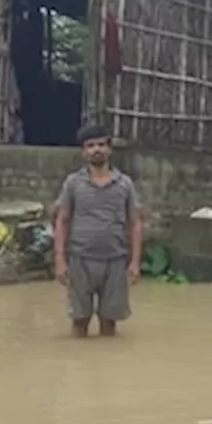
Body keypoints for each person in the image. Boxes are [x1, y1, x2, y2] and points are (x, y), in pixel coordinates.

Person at [53, 124, 143, 338]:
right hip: (80, 259)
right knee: (79, 321)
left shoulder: (124, 184)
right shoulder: (73, 183)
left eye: (101, 144)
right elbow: (62, 220)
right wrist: (59, 260)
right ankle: (78, 367)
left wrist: (135, 262)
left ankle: (107, 368)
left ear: (110, 149)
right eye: (91, 146)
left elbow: (135, 222)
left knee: (109, 323)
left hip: (115, 259)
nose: (96, 150)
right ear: (84, 152)